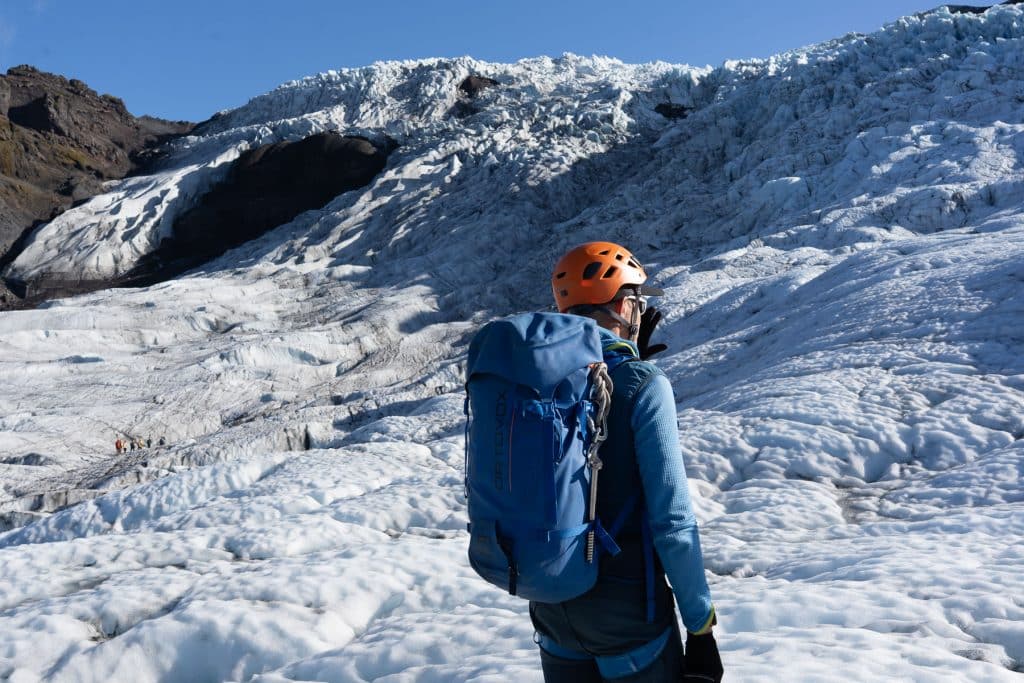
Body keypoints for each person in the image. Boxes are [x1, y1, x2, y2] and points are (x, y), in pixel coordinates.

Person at [532, 241, 723, 682]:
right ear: (623, 305)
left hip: (553, 608)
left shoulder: (539, 379)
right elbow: (673, 522)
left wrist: (630, 363)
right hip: (628, 617)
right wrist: (701, 628)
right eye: (637, 300)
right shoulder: (644, 385)